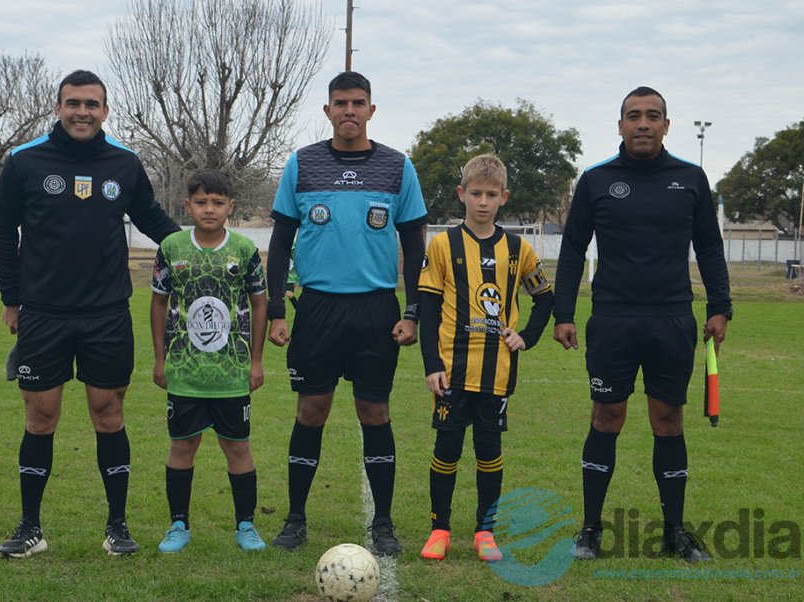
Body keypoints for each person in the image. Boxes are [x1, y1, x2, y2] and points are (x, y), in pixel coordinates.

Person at [0, 69, 180, 558]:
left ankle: (117, 527)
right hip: (44, 314)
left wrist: (196, 245)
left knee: (108, 414)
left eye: (92, 104)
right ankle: (30, 527)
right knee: (40, 416)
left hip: (107, 314)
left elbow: (152, 218)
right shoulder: (24, 162)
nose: (82, 112)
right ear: (57, 107)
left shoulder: (125, 163)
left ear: (105, 110)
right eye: (73, 103)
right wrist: (12, 300)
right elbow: (2, 232)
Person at [552, 86, 732, 562]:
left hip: (672, 319)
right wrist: (564, 313)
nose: (644, 123)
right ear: (620, 125)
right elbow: (572, 250)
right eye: (634, 116)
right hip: (612, 320)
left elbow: (710, 248)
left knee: (668, 420)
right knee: (606, 417)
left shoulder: (691, 179)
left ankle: (675, 533)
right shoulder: (595, 180)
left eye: (653, 116)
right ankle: (589, 530)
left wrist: (721, 306)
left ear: (667, 125)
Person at [266, 71, 428, 556]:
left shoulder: (399, 167)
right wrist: (277, 309)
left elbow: (415, 247)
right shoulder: (302, 164)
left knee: (374, 411)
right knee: (311, 411)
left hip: (377, 310)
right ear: (328, 110)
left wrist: (413, 310)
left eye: (359, 103)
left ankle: (383, 523)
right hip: (315, 309)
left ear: (372, 110)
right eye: (341, 103)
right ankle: (295, 519)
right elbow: (279, 243)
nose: (350, 111)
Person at [417, 155, 554, 562]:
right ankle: (439, 529)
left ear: (503, 198)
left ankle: (485, 531)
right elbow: (426, 310)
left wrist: (526, 336)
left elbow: (544, 299)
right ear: (461, 194)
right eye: (475, 193)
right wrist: (431, 365)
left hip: (497, 372)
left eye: (491, 195)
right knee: (446, 449)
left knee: (489, 451)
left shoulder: (519, 249)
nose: (482, 202)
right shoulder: (441, 245)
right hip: (451, 370)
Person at [150, 171, 268, 554]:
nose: (209, 209)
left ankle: (246, 526)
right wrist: (159, 358)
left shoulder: (245, 251)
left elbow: (259, 303)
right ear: (187, 206)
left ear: (230, 207)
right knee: (182, 447)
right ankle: (178, 525)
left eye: (217, 202)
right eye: (201, 202)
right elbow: (158, 302)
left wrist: (256, 362)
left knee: (238, 448)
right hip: (185, 371)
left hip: (231, 372)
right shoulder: (171, 247)